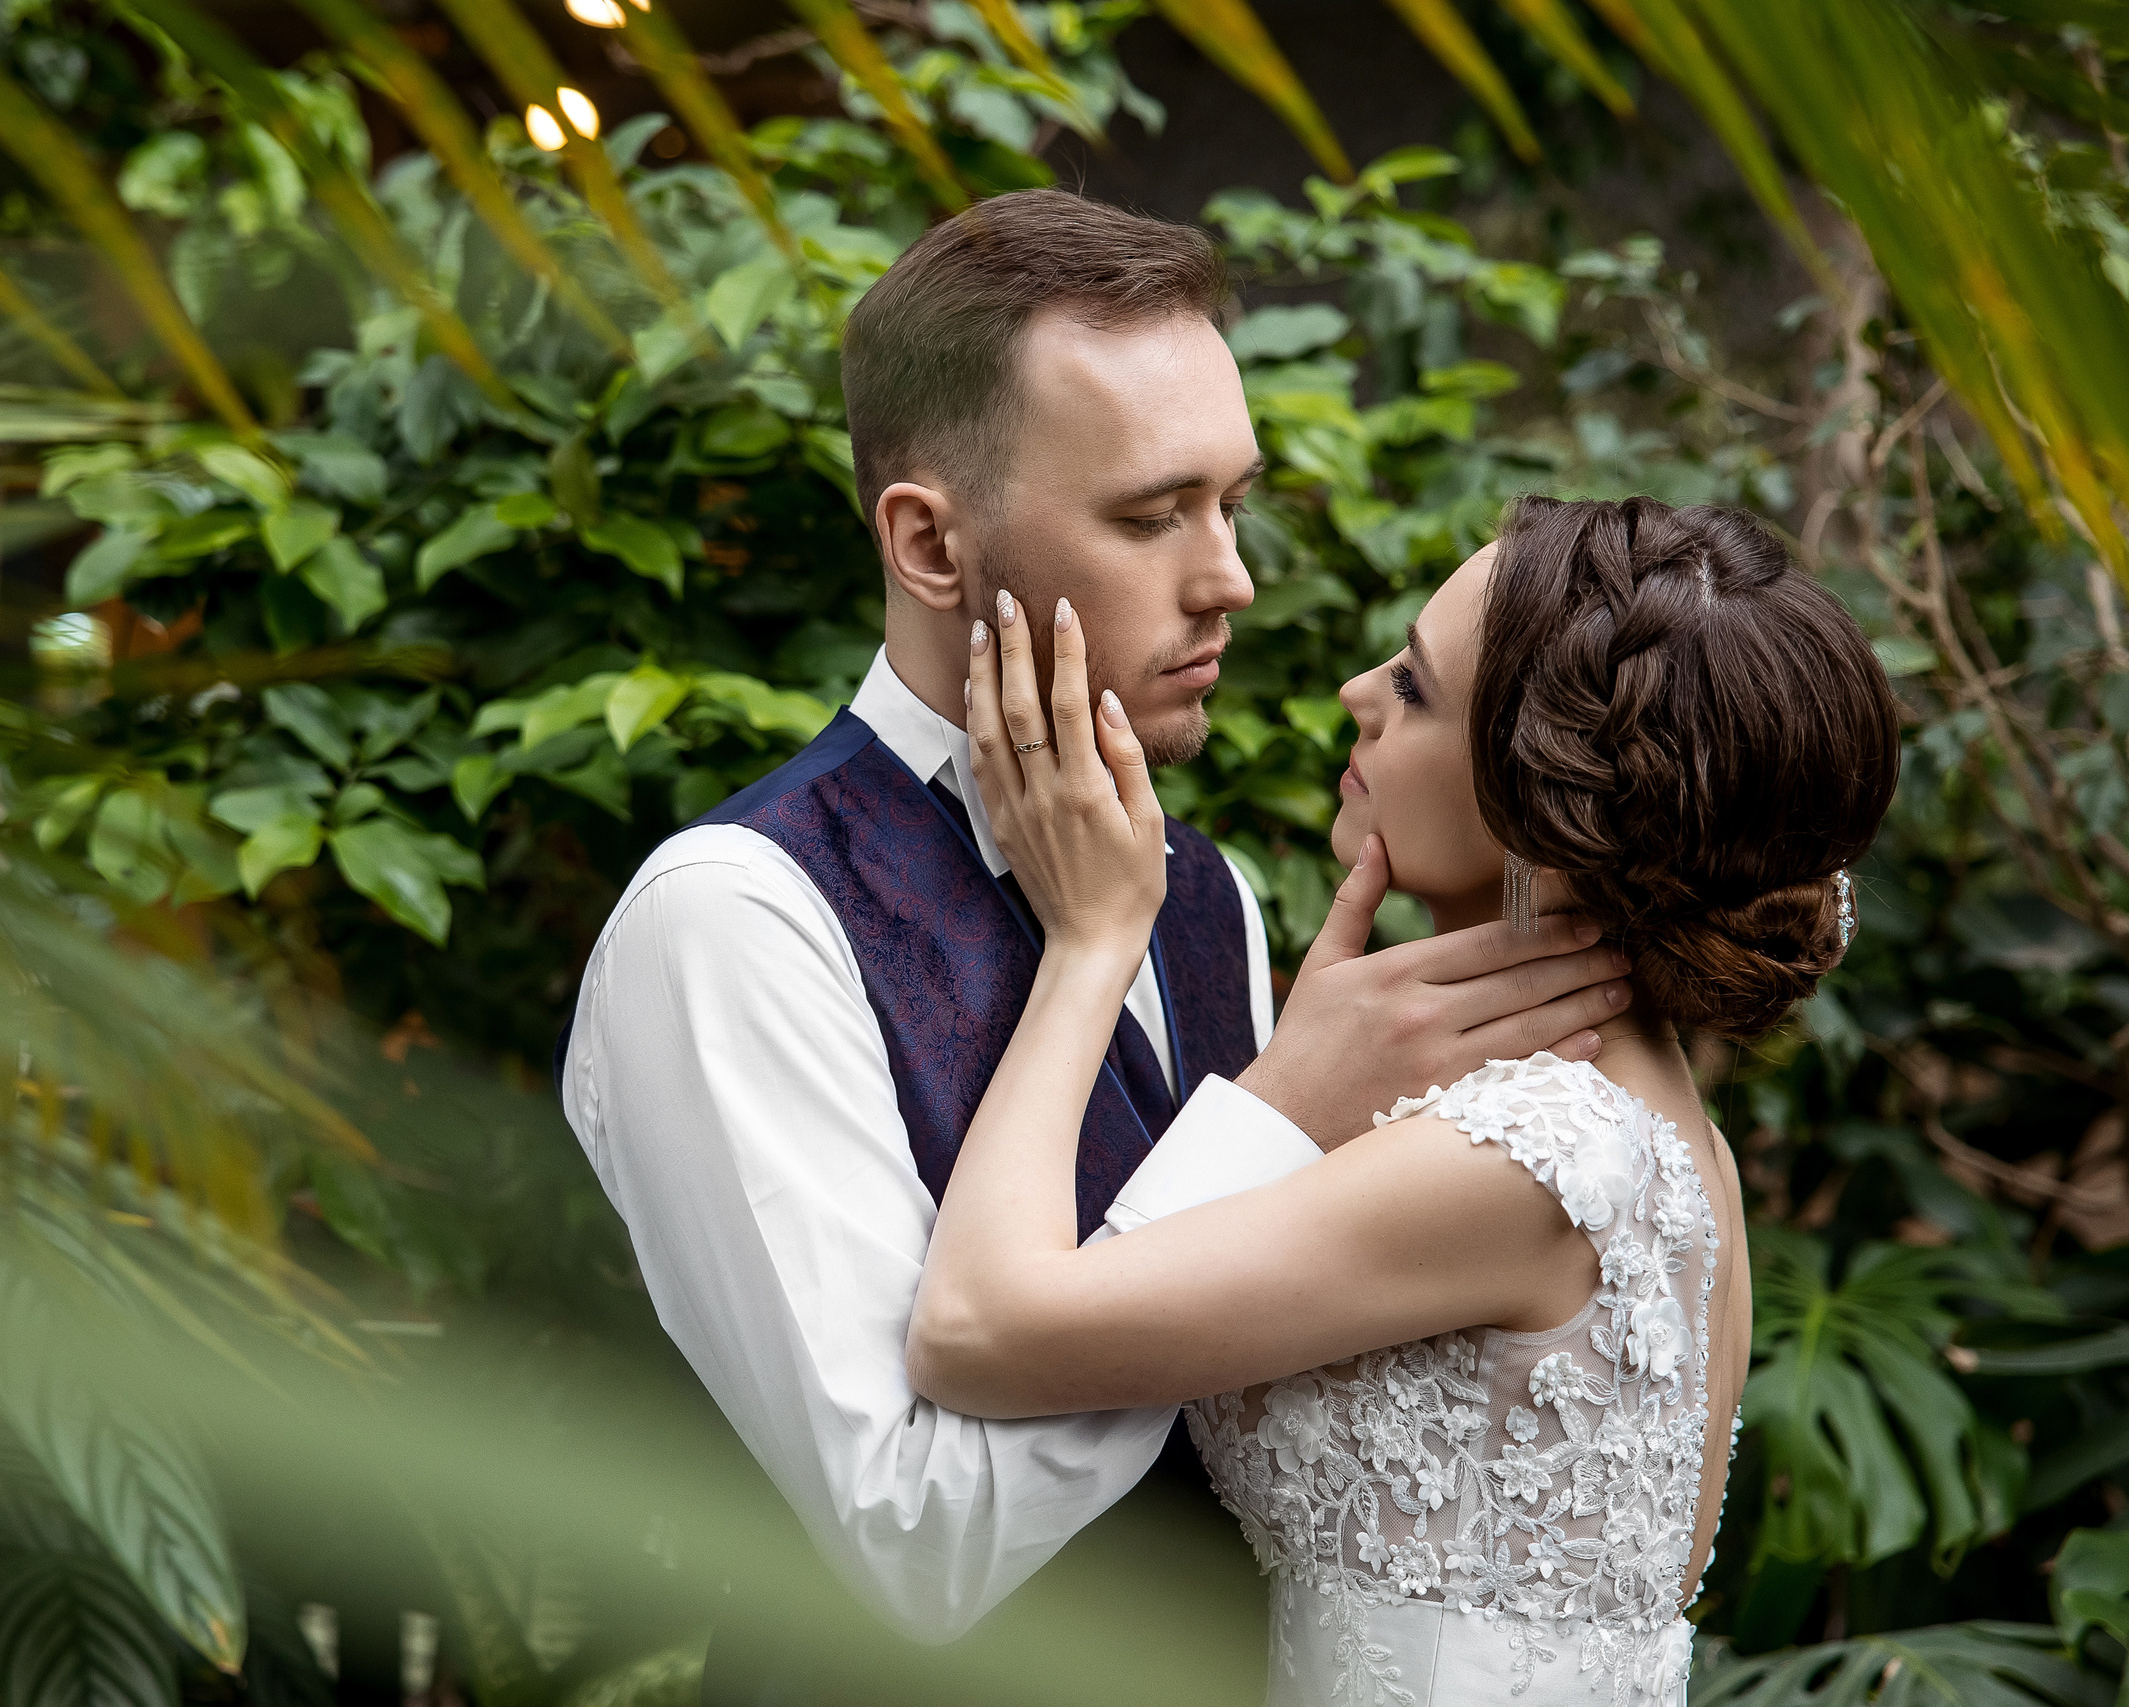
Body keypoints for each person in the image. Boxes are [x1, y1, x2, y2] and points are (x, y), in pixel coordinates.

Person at [557, 190, 1632, 1700]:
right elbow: (911, 1539)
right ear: (931, 544)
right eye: (1149, 515)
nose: (1230, 579)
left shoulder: (1213, 900)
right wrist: (1270, 1119)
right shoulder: (738, 920)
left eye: (1233, 503)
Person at [907, 495, 1903, 1704]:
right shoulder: (1656, 1135)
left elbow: (972, 1333)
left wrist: (1090, 943)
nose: (1355, 694)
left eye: (1418, 691)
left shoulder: (1531, 1159)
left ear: (1545, 802)